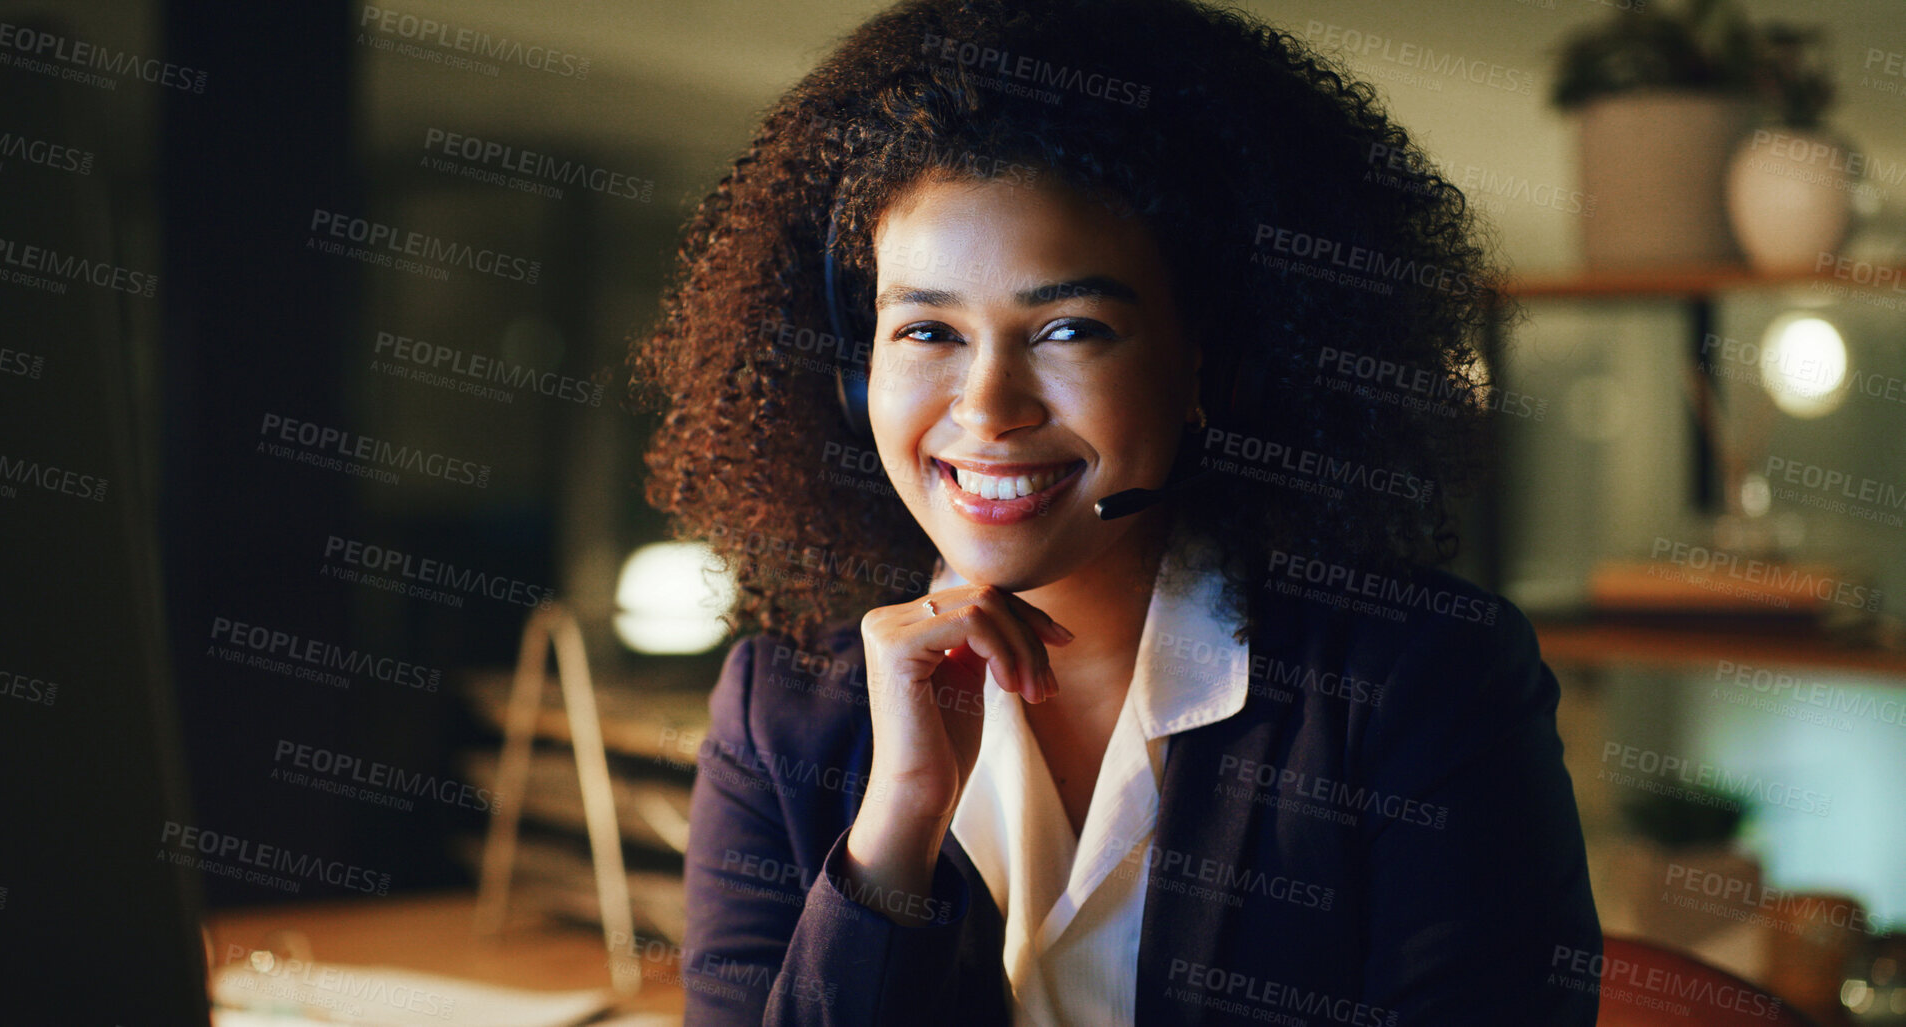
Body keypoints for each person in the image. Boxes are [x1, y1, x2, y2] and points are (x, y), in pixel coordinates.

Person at [629, 0, 1601, 1023]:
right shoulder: (779, 708)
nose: (988, 409)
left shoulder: (1421, 686)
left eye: (1069, 328)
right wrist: (895, 831)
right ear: (851, 372)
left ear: (1206, 362)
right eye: (926, 331)